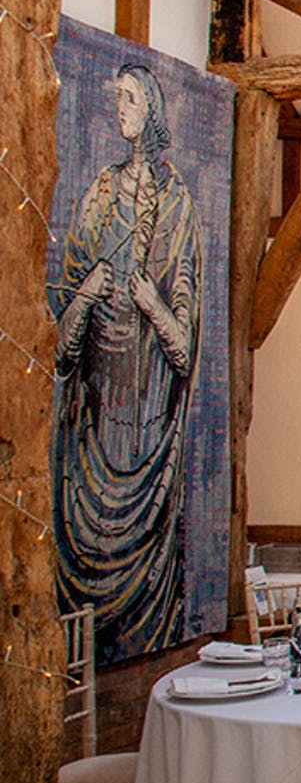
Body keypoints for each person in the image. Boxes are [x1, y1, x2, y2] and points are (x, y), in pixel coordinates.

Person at [48, 63, 199, 660]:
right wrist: (90, 292)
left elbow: (184, 344)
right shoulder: (102, 192)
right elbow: (61, 336)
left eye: (130, 98)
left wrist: (150, 301)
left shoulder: (178, 203)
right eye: (116, 98)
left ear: (152, 109)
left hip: (148, 409)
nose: (120, 109)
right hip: (97, 402)